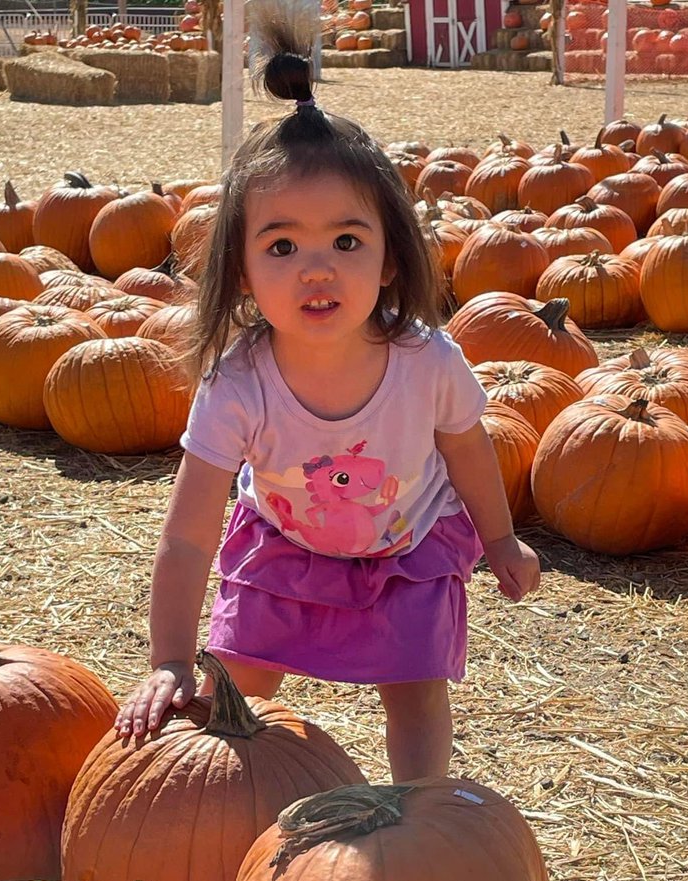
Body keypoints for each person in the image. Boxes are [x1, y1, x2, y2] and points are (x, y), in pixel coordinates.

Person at [115, 0, 540, 782]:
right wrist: (170, 659)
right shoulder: (238, 382)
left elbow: (468, 449)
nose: (317, 268)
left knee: (413, 690)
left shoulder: (427, 363)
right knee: (234, 689)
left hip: (404, 547)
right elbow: (186, 535)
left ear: (387, 260)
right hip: (284, 545)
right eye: (282, 245)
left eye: (346, 240)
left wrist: (502, 537)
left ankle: (423, 814)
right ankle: (226, 802)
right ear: (242, 272)